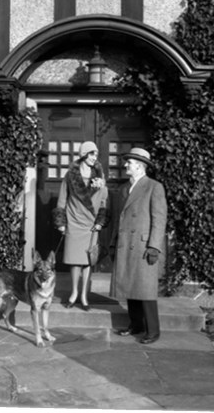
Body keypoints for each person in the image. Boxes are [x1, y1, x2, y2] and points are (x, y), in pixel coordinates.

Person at [109, 147, 167, 344]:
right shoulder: (124, 188)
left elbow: (159, 219)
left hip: (143, 247)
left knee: (146, 290)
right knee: (129, 288)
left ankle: (153, 331)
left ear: (140, 167)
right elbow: (120, 218)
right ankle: (136, 325)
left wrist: (154, 247)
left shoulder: (154, 187)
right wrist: (113, 242)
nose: (125, 165)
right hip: (126, 244)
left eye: (130, 163)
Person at [53, 141, 109, 311]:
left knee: (87, 261)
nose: (94, 158)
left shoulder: (99, 175)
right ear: (84, 154)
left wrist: (100, 222)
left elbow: (104, 202)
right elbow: (62, 199)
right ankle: (74, 293)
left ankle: (84, 295)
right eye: (91, 154)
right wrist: (61, 223)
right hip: (74, 221)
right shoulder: (70, 175)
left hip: (91, 225)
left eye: (96, 155)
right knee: (74, 260)